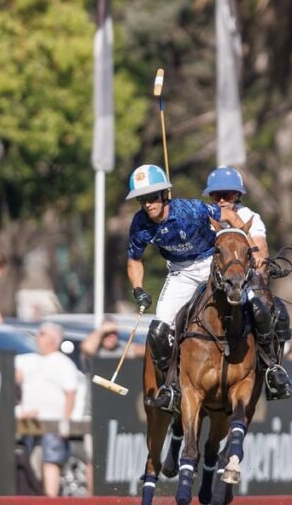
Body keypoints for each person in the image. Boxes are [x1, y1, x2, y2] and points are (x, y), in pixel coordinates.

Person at [124, 164, 240, 412]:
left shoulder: (191, 209)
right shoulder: (140, 224)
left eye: (152, 197)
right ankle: (171, 387)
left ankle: (272, 368)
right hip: (180, 273)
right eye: (142, 199)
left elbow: (228, 216)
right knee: (157, 332)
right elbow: (134, 259)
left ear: (165, 194)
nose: (148, 204)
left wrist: (243, 244)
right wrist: (138, 288)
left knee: (255, 307)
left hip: (211, 264)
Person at [202, 166, 292, 400]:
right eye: (216, 195)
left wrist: (234, 221)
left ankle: (272, 368)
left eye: (228, 195)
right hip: (207, 279)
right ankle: (172, 377)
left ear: (238, 196)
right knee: (178, 315)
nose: (221, 200)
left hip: (244, 281)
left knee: (275, 312)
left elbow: (260, 255)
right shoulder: (203, 216)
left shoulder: (252, 217)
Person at [15, 323, 79, 496]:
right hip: (29, 422)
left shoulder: (63, 363)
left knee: (50, 461)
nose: (38, 337)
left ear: (54, 339)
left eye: (42, 334)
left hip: (53, 423)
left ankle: (51, 499)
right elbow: (12, 376)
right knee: (29, 463)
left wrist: (66, 421)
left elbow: (71, 394)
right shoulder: (27, 359)